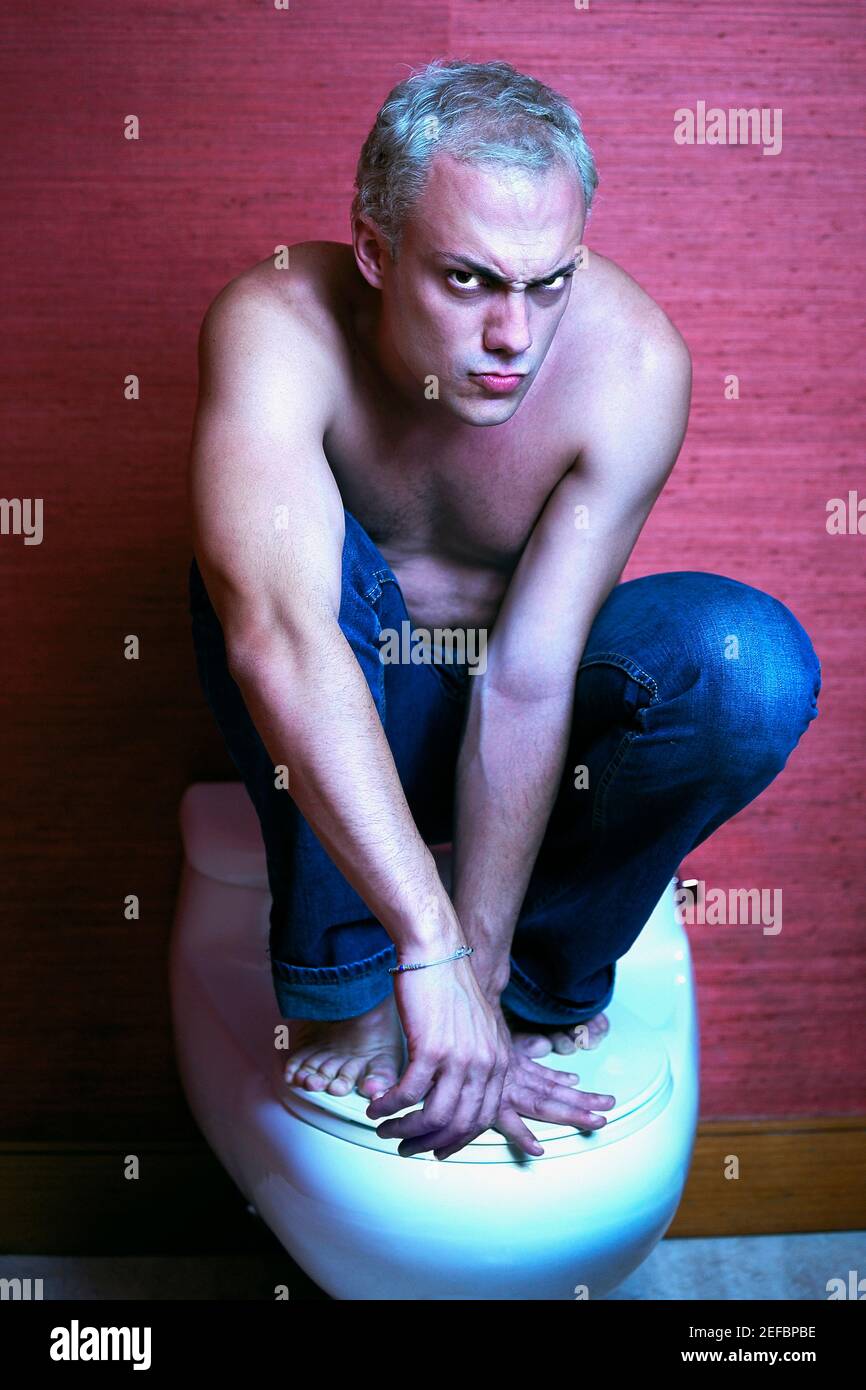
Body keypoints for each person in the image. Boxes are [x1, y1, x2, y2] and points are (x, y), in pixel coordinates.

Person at [186, 58, 822, 1162]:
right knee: (285, 558)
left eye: (547, 282)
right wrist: (418, 949)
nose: (513, 338)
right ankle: (347, 976)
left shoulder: (628, 363)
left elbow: (530, 675)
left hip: (523, 729)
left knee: (747, 663)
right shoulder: (276, 321)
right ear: (377, 252)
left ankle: (535, 982)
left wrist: (472, 978)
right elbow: (280, 639)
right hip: (339, 711)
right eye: (469, 281)